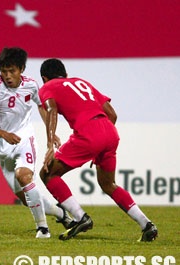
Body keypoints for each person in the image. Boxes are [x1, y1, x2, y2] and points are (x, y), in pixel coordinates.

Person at [38, 58, 158, 241]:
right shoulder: (81, 82)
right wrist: (99, 145)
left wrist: (49, 145)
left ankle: (80, 217)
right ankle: (146, 224)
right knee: (108, 184)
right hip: (110, 132)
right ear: (66, 74)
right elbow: (112, 114)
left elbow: (51, 110)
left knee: (48, 173)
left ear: (44, 78)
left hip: (88, 133)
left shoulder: (48, 86)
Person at [0, 47, 76, 239]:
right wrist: (3, 134)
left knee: (25, 176)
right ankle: (62, 214)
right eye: (4, 71)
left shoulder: (31, 85)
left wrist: (50, 132)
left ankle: (43, 229)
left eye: (12, 71)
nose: (8, 76)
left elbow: (42, 105)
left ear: (21, 69)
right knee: (25, 197)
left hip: (24, 139)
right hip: (2, 146)